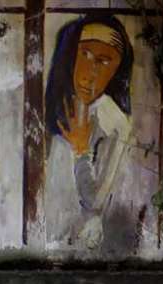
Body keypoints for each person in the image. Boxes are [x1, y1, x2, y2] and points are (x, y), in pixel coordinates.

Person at [32, 15, 153, 252]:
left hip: (84, 245)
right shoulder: (62, 105)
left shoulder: (113, 122)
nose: (90, 72)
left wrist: (81, 151)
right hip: (51, 237)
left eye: (104, 61)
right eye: (85, 55)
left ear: (117, 70)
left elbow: (95, 200)